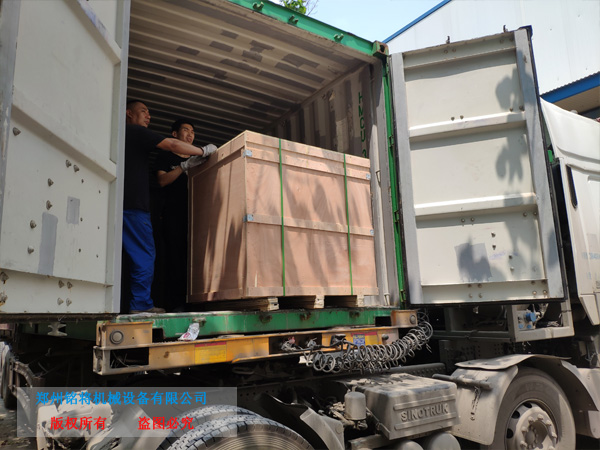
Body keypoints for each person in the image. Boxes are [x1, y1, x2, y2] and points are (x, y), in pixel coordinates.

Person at [123, 101, 215, 314]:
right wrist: (202, 151)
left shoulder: (124, 136)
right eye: (144, 111)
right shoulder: (136, 132)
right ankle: (142, 304)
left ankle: (140, 303)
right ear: (129, 113)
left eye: (193, 132)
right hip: (140, 208)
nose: (149, 116)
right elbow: (172, 148)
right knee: (146, 255)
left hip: (137, 207)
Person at [155, 119, 216, 312]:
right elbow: (162, 181)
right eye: (185, 130)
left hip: (196, 216)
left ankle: (196, 300)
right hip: (172, 215)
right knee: (174, 258)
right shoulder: (165, 156)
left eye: (193, 132)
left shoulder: (199, 159)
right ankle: (175, 303)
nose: (190, 134)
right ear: (175, 134)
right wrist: (183, 167)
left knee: (196, 258)